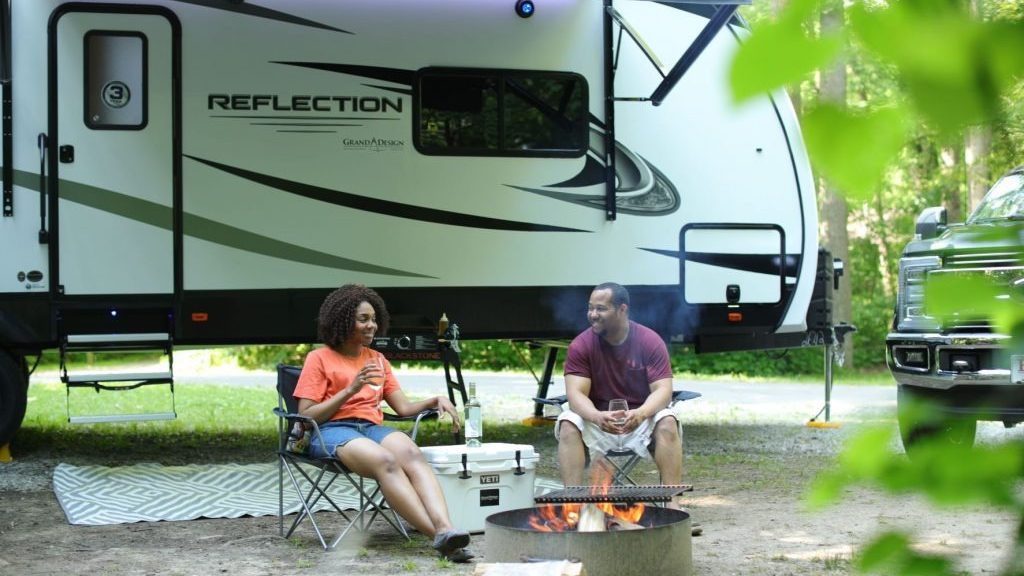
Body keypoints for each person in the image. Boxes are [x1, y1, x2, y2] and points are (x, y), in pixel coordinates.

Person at [294, 284, 472, 561]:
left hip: (371, 428)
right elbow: (306, 415)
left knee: (412, 453)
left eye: (374, 319)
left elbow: (403, 408)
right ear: (342, 321)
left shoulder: (378, 360)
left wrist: (434, 400)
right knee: (385, 460)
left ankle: (446, 528)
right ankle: (441, 539)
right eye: (363, 319)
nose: (372, 326)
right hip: (330, 431)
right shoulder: (319, 358)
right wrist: (350, 390)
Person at [556, 282, 699, 533]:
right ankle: (573, 509)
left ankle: (673, 506)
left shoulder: (649, 341)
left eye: (601, 309)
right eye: (590, 308)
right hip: (597, 421)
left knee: (667, 420)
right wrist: (596, 416)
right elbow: (575, 394)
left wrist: (641, 413)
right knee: (568, 423)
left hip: (640, 420)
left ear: (622, 309)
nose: (592, 314)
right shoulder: (581, 345)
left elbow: (663, 390)